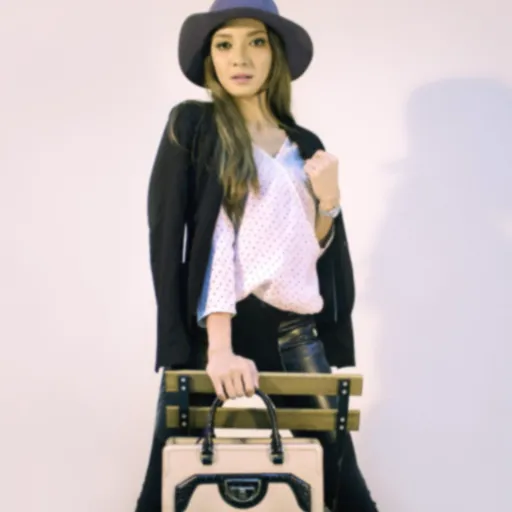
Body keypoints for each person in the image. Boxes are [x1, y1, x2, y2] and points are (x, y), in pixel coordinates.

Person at [135, 0, 378, 510]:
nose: (239, 58)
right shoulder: (195, 125)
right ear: (211, 58)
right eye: (224, 44)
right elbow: (191, 238)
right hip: (216, 334)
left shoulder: (304, 143)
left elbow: (308, 251)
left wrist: (329, 201)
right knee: (164, 489)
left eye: (256, 42)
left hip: (295, 335)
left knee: (346, 492)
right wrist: (217, 347)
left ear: (276, 54)